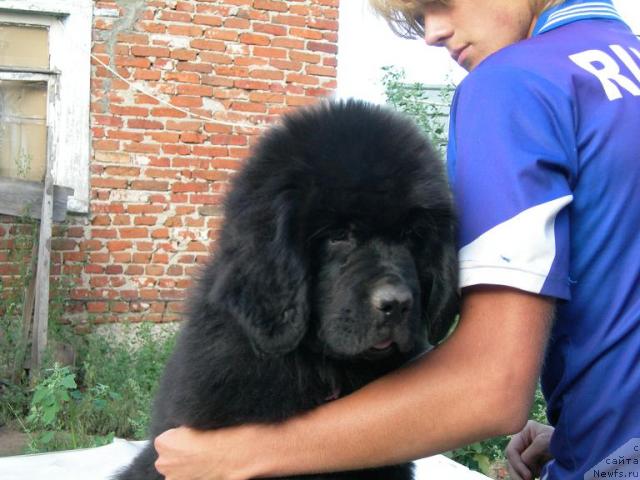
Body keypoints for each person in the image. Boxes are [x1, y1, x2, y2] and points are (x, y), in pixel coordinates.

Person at [153, 1, 640, 479]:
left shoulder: (516, 83)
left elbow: (491, 386)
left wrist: (241, 453)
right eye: (419, 17)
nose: (432, 32)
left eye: (440, 3)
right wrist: (588, 432)